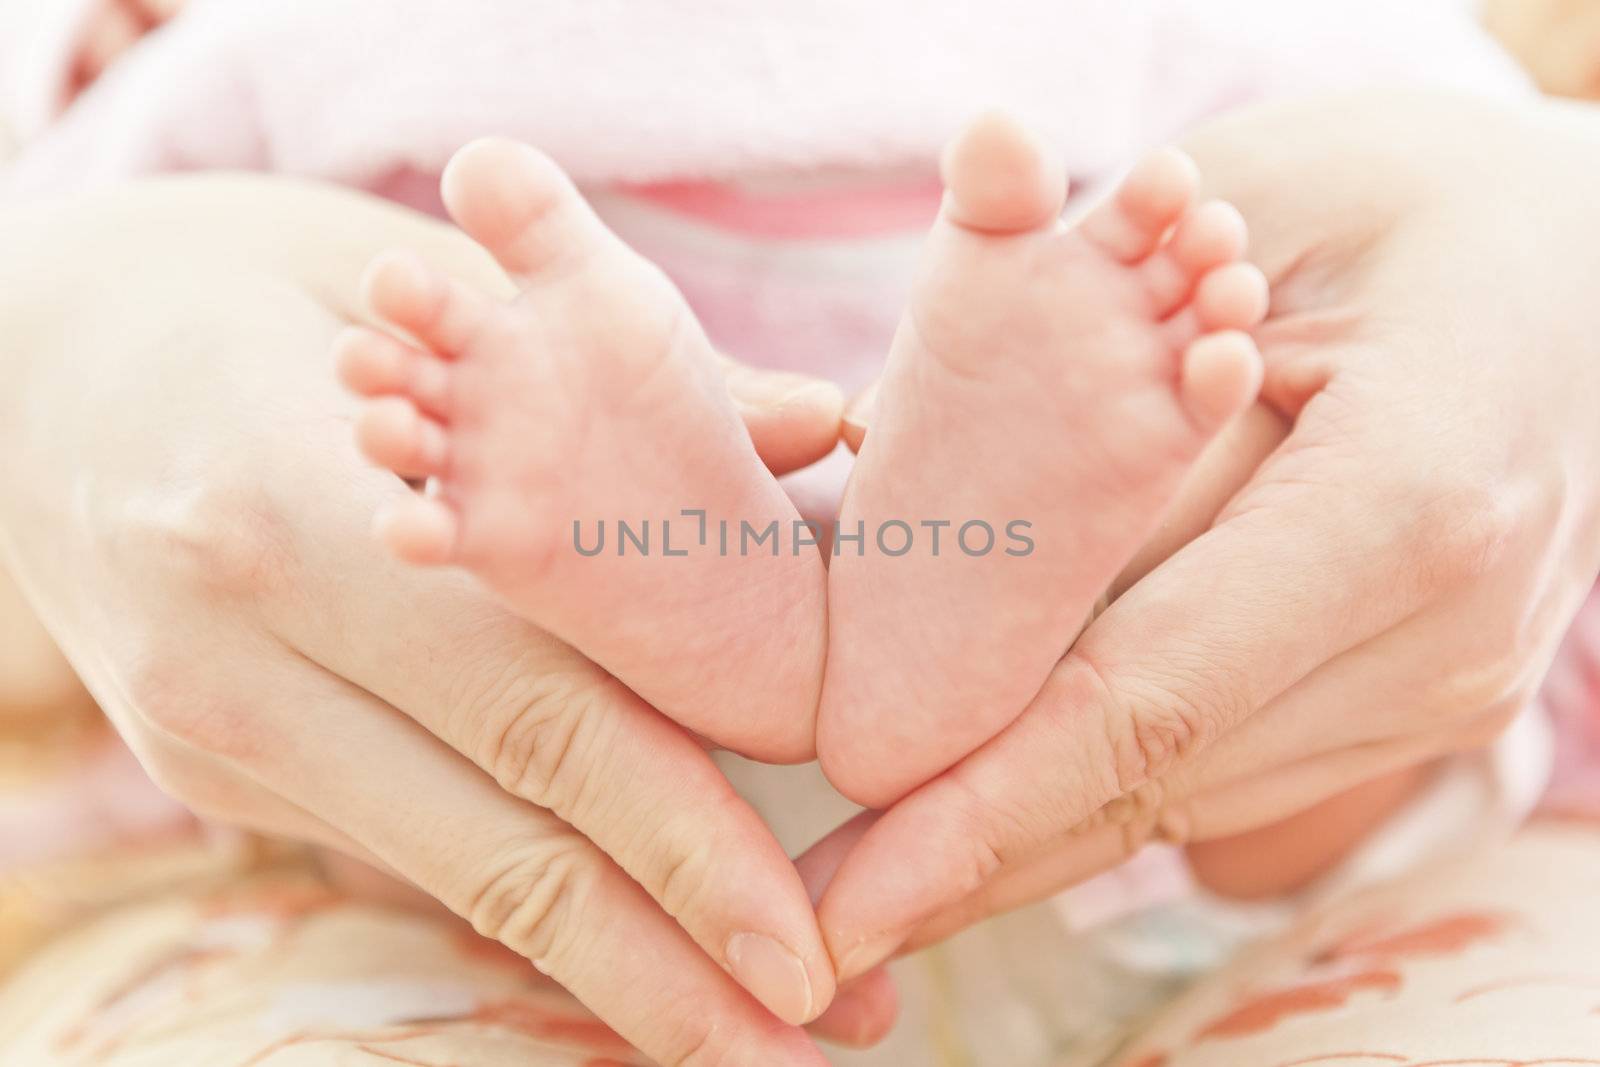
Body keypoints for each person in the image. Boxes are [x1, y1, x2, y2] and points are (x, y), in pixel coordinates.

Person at [2, 4, 1598, 1064]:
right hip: (1075, 784)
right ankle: (936, 559)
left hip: (610, 854)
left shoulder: (298, 54)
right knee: (1239, 451)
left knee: (1287, 529)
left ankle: (728, 559)